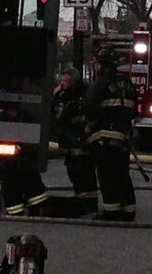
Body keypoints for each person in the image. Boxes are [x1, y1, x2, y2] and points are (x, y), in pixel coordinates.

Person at [84, 47, 139, 222]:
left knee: (107, 174)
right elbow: (133, 110)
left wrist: (90, 125)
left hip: (105, 136)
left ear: (103, 66)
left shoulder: (100, 83)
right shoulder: (128, 84)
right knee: (122, 173)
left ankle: (112, 211)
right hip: (123, 135)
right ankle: (129, 210)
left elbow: (89, 107)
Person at [52, 66, 98, 212]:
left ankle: (89, 204)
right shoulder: (63, 94)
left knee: (84, 173)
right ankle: (81, 201)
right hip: (69, 138)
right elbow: (55, 113)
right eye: (62, 80)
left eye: (66, 80)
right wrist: (55, 95)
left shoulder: (84, 93)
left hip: (83, 138)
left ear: (74, 81)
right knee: (73, 172)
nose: (63, 83)